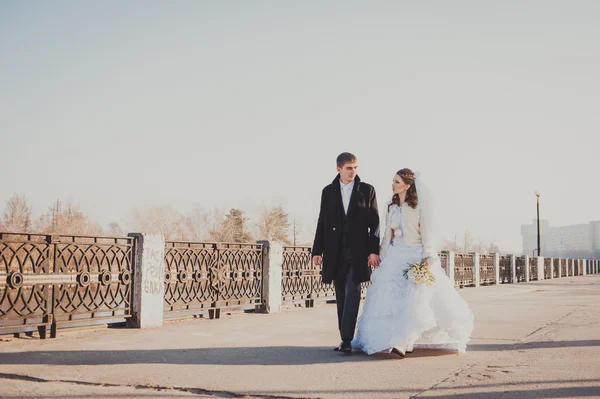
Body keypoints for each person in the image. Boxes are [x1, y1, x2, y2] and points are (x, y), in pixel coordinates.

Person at [352, 168, 474, 357]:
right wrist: (380, 256)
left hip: (414, 256)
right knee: (389, 302)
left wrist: (428, 258)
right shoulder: (391, 208)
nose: (393, 184)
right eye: (393, 181)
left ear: (407, 186)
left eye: (397, 182)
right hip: (394, 257)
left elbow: (426, 235)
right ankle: (387, 339)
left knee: (413, 302)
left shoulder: (419, 208)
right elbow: (387, 236)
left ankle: (403, 342)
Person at [312, 152, 381, 354]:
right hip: (335, 251)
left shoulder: (367, 190)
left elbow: (375, 224)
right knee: (341, 293)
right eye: (349, 168)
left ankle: (347, 339)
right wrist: (317, 250)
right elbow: (321, 222)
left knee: (353, 290)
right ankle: (344, 337)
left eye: (355, 168)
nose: (353, 171)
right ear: (339, 169)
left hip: (358, 252)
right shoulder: (328, 191)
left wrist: (373, 251)